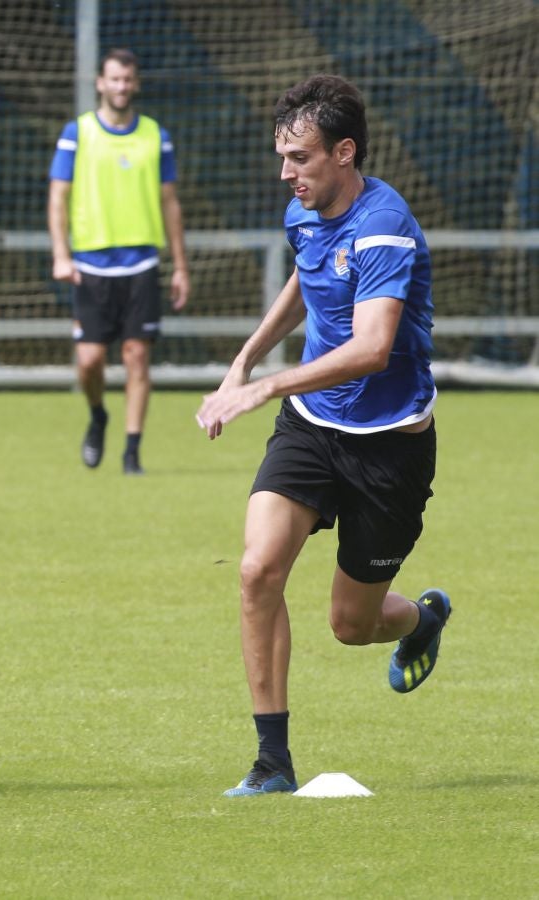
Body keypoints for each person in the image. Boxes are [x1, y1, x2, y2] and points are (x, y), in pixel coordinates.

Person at [195, 75, 451, 796]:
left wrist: (266, 384)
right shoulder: (304, 211)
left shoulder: (383, 226)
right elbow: (304, 284)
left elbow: (373, 346)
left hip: (389, 446)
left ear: (344, 152)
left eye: (300, 158)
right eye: (282, 157)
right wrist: (242, 360)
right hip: (312, 428)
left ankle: (422, 618)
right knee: (255, 571)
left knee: (350, 624)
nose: (287, 174)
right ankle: (271, 763)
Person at [48, 47, 190, 475]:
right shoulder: (78, 132)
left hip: (141, 264)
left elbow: (169, 201)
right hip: (90, 266)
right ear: (100, 82)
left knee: (136, 357)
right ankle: (98, 415)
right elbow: (58, 196)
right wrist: (61, 254)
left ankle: (132, 452)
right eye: (114, 79)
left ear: (136, 83)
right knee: (89, 361)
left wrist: (180, 264)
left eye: (128, 79)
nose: (121, 86)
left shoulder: (154, 135)